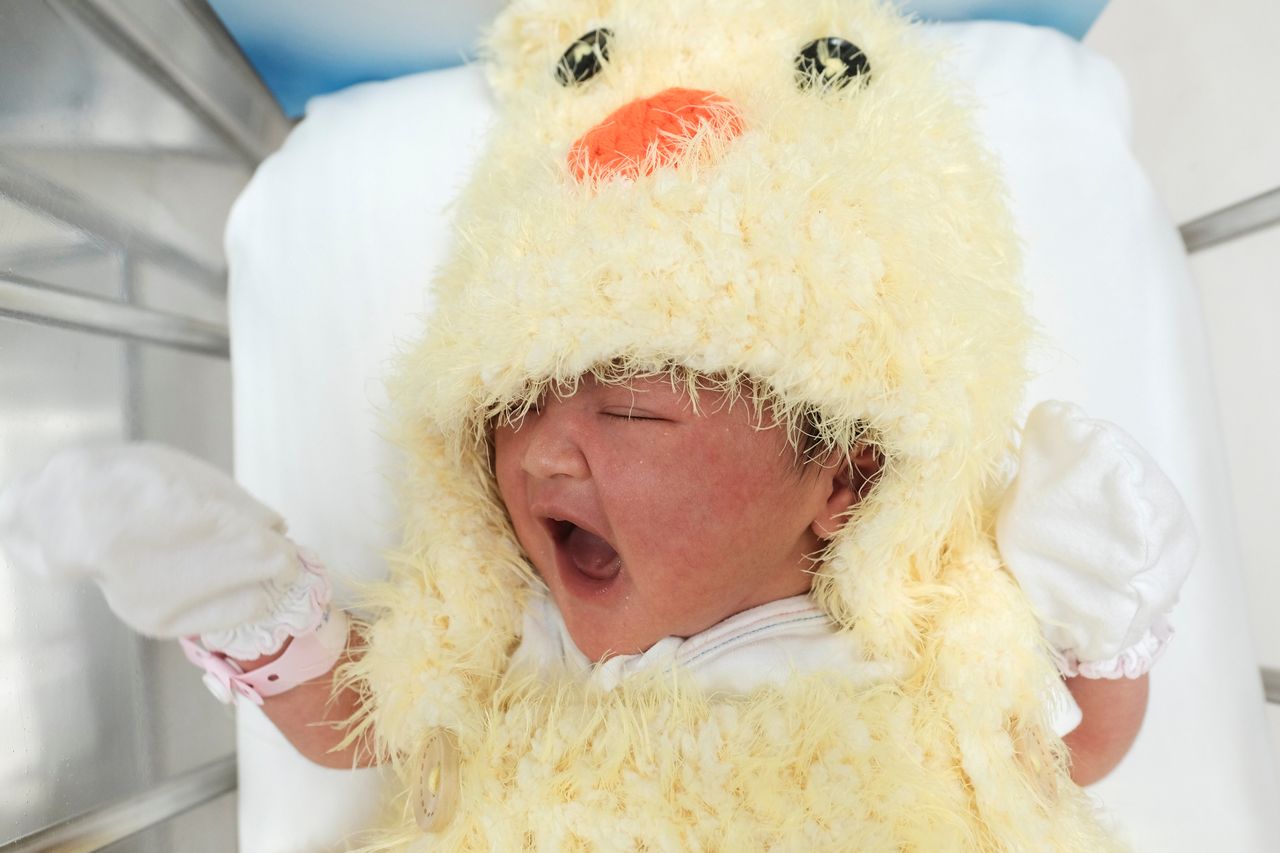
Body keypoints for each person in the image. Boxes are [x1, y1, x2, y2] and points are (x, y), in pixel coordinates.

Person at [0, 0, 1195, 847]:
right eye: (511, 405)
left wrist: (1096, 612)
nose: (537, 451)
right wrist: (231, 588)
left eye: (627, 408)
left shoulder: (897, 657)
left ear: (843, 477)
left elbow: (1064, 759)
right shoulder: (528, 639)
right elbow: (355, 726)